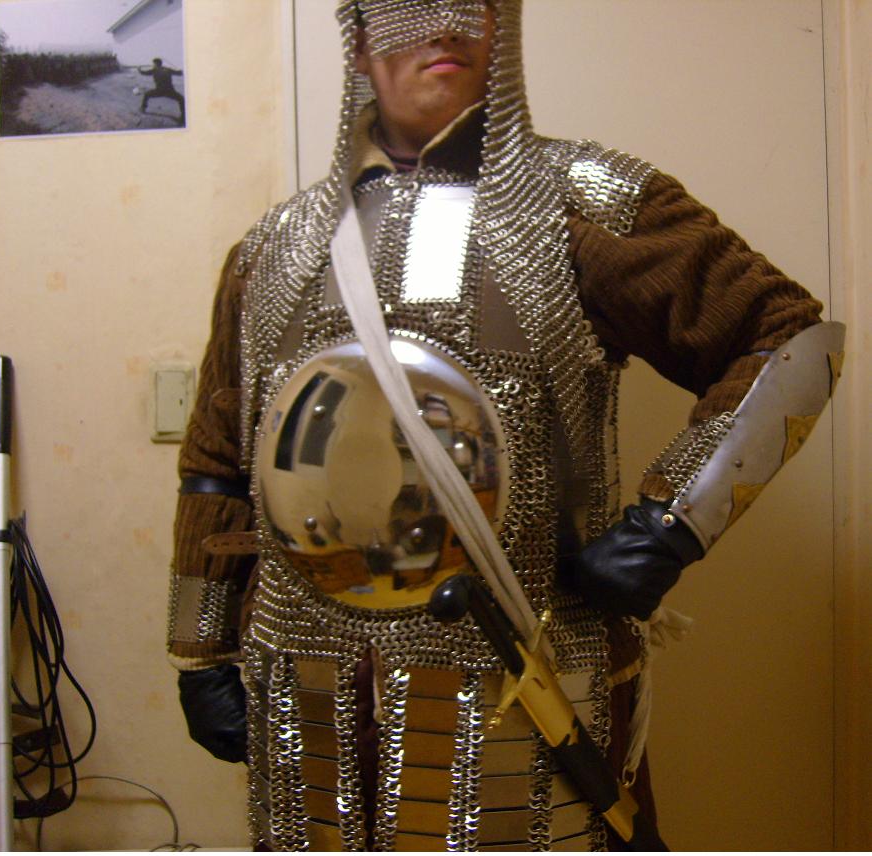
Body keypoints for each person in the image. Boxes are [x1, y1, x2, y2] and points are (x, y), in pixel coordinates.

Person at [166, 1, 843, 850]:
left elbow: (788, 340)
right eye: (410, 10)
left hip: (520, 669)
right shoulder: (275, 247)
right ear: (361, 41)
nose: (445, 30)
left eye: (472, 8)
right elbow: (217, 462)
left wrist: (668, 525)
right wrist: (198, 651)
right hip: (307, 675)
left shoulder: (584, 202)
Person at [138, 58, 185, 123]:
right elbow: (179, 73)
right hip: (170, 91)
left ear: (156, 64)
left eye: (154, 64)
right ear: (161, 64)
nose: (153, 65)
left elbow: (143, 73)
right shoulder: (168, 69)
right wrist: (180, 71)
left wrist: (139, 69)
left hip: (159, 90)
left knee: (146, 94)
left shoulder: (154, 70)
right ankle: (183, 117)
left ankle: (143, 109)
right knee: (181, 99)